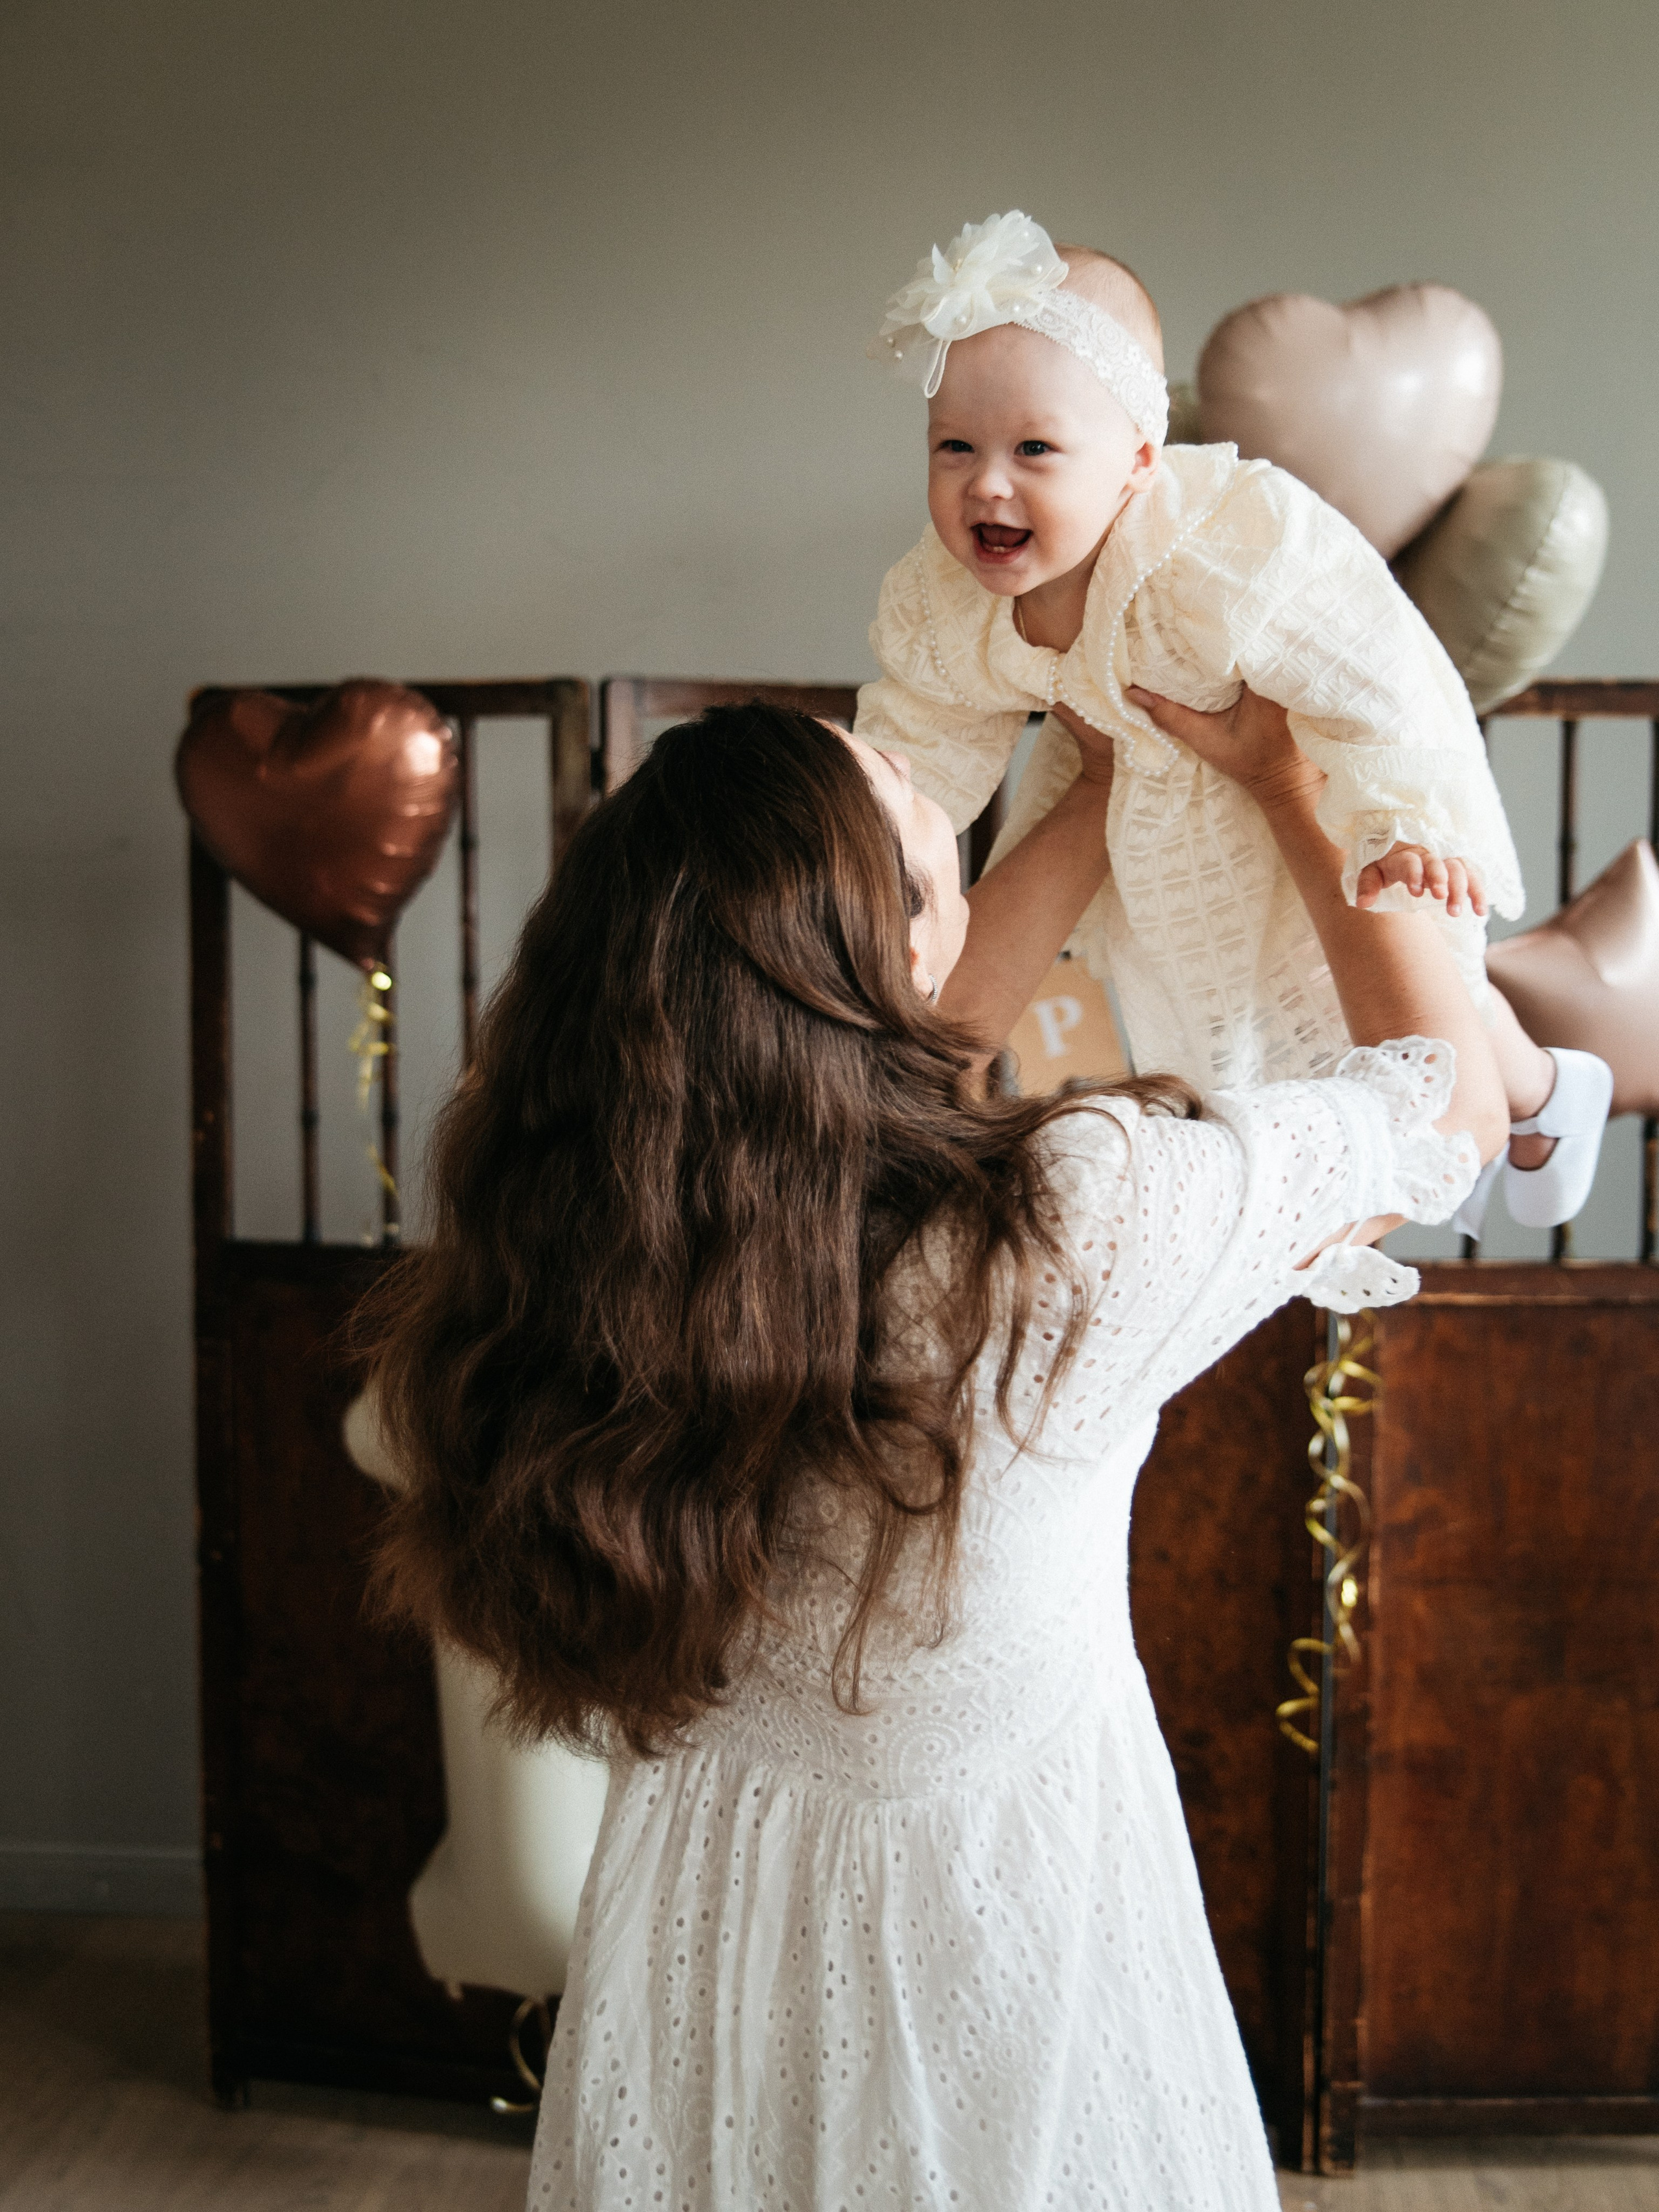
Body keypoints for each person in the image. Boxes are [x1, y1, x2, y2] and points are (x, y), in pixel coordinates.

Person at [364, 684, 1505, 2211]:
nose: (912, 759)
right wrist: (1293, 792)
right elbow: (1446, 1111)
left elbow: (873, 1053)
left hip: (709, 1901)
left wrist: (1097, 792)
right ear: (889, 941)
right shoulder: (1068, 1226)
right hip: (996, 1912)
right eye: (885, 780)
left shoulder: (607, 1242)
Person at [856, 209, 1611, 1239]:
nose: (987, 481)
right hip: (1145, 822)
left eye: (1035, 447)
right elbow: (920, 738)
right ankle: (1423, 1141)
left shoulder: (1217, 536)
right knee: (1231, 1030)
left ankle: (1541, 1090)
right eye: (955, 446)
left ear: (1135, 460)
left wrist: (1407, 814)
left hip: (1309, 776)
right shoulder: (946, 599)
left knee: (1411, 972)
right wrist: (875, 854)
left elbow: (1371, 657)